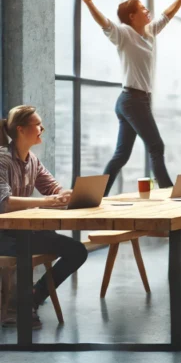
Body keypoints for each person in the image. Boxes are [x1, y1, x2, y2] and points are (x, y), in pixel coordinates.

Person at [74, 0, 181, 195]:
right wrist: (89, 3)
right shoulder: (123, 34)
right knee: (156, 146)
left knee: (121, 155)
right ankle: (170, 194)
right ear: (132, 16)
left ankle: (96, 195)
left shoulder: (149, 32)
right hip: (132, 100)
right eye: (142, 8)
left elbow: (168, 14)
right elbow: (104, 23)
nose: (148, 11)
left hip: (134, 101)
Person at [0, 106, 88, 329]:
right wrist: (46, 201)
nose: (42, 128)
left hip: (21, 231)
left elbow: (53, 189)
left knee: (75, 250)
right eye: (37, 124)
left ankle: (32, 296)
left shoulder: (33, 161)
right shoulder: (2, 161)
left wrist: (67, 194)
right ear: (21, 129)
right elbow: (4, 203)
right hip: (4, 235)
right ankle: (16, 308)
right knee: (52, 245)